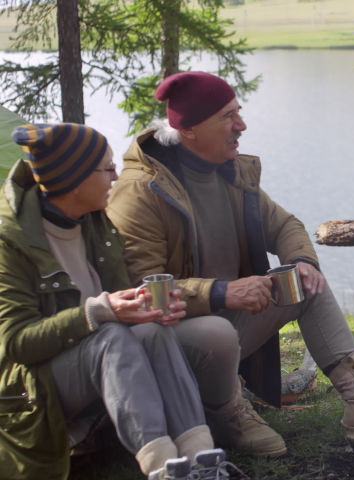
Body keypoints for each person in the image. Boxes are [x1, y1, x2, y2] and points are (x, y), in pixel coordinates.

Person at [106, 71, 354, 454]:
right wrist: (221, 292)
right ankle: (226, 410)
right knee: (214, 332)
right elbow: (144, 288)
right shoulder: (140, 192)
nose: (241, 125)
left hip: (227, 318)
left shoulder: (230, 173)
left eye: (239, 112)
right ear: (189, 129)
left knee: (306, 282)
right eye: (227, 117)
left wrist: (302, 261)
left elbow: (284, 224)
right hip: (170, 338)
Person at [0, 123, 234, 480]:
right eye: (107, 167)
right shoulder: (10, 243)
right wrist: (100, 311)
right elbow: (16, 343)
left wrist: (144, 309)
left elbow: (118, 305)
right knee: (110, 339)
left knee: (152, 332)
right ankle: (164, 470)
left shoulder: (95, 223)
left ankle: (200, 459)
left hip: (94, 358)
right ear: (75, 177)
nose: (116, 175)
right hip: (31, 386)